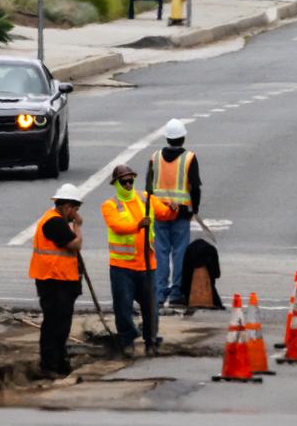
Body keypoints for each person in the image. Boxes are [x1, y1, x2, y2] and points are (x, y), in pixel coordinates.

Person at [101, 163, 177, 356]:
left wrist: (173, 210)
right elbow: (118, 226)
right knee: (123, 308)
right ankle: (127, 340)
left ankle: (151, 341)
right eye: (123, 182)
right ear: (116, 184)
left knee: (151, 308)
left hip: (146, 264)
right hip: (122, 267)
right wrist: (138, 225)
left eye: (130, 180)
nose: (128, 184)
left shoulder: (146, 199)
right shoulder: (110, 205)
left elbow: (163, 213)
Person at [27, 184, 84, 378]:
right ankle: (50, 364)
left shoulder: (58, 221)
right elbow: (75, 244)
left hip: (62, 280)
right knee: (54, 323)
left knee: (62, 324)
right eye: (75, 210)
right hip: (52, 280)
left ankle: (59, 362)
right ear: (67, 206)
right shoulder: (54, 222)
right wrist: (78, 227)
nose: (75, 214)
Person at [146, 118, 203, 309]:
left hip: (160, 213)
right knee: (180, 253)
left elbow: (148, 188)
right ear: (183, 138)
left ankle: (160, 293)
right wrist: (194, 209)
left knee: (161, 253)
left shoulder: (155, 157)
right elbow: (195, 187)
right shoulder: (189, 158)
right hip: (181, 214)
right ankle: (177, 293)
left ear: (167, 138)